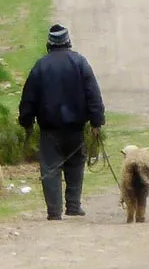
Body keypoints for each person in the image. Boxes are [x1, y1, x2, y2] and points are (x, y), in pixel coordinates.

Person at [17, 24, 106, 221]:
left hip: (49, 129)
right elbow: (93, 94)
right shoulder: (80, 63)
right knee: (76, 164)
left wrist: (27, 121)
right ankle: (73, 206)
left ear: (49, 43)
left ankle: (54, 211)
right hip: (75, 128)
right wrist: (96, 121)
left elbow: (29, 98)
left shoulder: (40, 66)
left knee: (50, 168)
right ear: (68, 41)